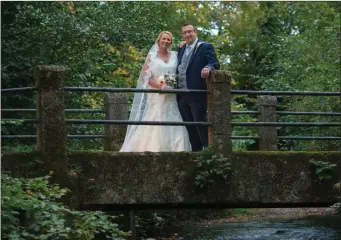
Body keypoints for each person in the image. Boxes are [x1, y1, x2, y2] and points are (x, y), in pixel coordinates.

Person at [120, 31, 191, 152]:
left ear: (171, 43)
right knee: (156, 117)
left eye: (169, 40)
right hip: (156, 94)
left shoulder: (175, 55)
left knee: (174, 118)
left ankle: (178, 149)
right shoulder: (151, 56)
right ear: (159, 40)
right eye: (164, 39)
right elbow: (145, 77)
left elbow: (183, 63)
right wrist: (160, 86)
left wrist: (184, 44)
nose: (166, 41)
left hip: (171, 95)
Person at [177, 23, 220, 152]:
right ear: (182, 35)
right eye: (185, 32)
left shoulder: (205, 46)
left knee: (200, 124)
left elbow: (215, 63)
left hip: (197, 94)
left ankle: (207, 152)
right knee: (189, 126)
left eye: (190, 31)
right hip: (181, 94)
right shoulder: (181, 47)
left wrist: (208, 67)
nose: (187, 34)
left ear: (196, 32)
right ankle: (196, 151)